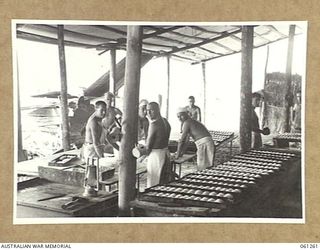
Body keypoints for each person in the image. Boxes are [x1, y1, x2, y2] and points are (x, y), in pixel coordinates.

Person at [145, 102, 171, 187]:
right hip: (164, 152)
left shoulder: (154, 124)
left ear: (158, 110)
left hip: (156, 154)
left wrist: (142, 154)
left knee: (153, 181)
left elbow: (148, 146)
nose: (148, 113)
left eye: (151, 110)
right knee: (162, 179)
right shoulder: (165, 121)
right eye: (147, 110)